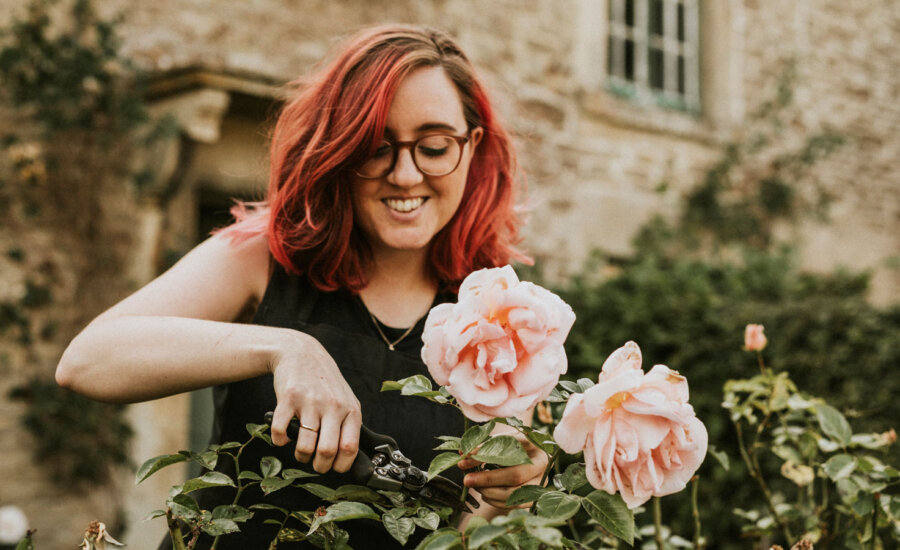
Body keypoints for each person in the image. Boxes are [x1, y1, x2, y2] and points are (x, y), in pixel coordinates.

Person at [56, 24, 547, 548]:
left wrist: (516, 489)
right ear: (340, 149)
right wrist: (284, 346)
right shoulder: (263, 256)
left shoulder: (500, 317)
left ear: (471, 147)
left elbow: (467, 526)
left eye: (432, 146)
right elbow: (86, 362)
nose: (405, 175)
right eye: (376, 146)